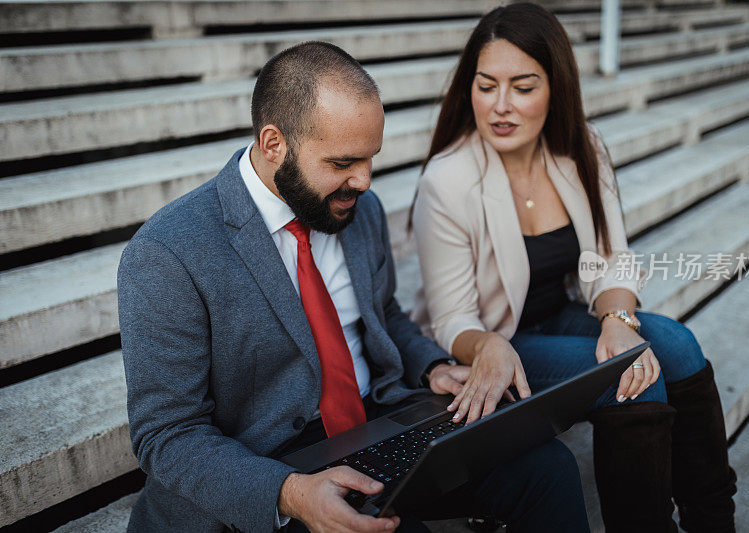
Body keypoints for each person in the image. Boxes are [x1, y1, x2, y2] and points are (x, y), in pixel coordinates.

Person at [118, 41, 590, 533]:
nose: (364, 182)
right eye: (343, 163)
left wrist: (432, 366)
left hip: (377, 427)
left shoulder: (355, 209)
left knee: (549, 468)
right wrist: (290, 493)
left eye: (371, 160)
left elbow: (385, 315)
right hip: (268, 471)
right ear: (274, 144)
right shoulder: (168, 252)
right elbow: (167, 435)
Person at [410, 4, 737, 532]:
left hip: (557, 316)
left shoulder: (581, 148)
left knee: (677, 345)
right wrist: (488, 346)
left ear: (554, 86)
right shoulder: (446, 180)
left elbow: (611, 258)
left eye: (523, 86)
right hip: (496, 345)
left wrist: (616, 320)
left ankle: (713, 520)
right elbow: (450, 319)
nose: (500, 106)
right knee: (633, 378)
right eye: (486, 85)